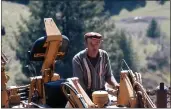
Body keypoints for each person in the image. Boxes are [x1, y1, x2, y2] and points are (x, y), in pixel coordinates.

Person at [72, 32, 119, 98]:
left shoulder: (104, 55)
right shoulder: (78, 59)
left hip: (103, 93)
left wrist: (116, 84)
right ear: (86, 44)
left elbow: (108, 76)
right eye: (91, 44)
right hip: (86, 94)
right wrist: (88, 99)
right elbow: (80, 83)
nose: (95, 47)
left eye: (97, 43)